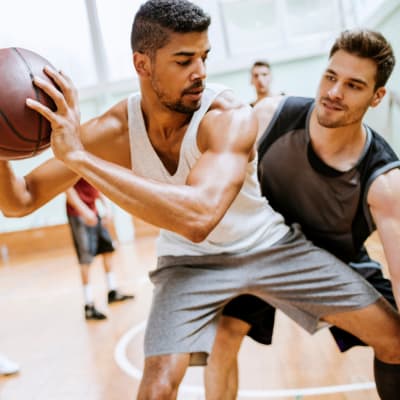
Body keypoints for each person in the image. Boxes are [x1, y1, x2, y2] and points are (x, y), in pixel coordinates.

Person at [0, 1, 398, 398]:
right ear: (143, 65)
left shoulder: (228, 115)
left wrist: (81, 159)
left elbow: (199, 216)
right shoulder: (115, 129)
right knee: (158, 386)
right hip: (188, 263)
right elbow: (20, 201)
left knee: (395, 341)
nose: (201, 73)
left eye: (204, 57)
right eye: (184, 60)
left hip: (267, 247)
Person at [208, 29, 400, 400]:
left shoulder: (386, 182)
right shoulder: (267, 117)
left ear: (378, 97)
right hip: (259, 247)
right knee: (223, 337)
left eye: (353, 85)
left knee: (396, 342)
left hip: (334, 259)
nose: (333, 92)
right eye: (331, 76)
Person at [66, 178, 134, 321]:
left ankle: (112, 291)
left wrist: (107, 208)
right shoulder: (70, 162)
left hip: (93, 210)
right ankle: (89, 305)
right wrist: (83, 211)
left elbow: (97, 183)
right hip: (78, 215)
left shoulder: (92, 157)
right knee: (86, 258)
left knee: (107, 249)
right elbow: (67, 189)